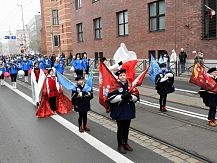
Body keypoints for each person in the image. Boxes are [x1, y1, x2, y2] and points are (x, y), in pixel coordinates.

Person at [107, 69, 139, 154]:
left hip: (128, 110)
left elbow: (136, 96)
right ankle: (119, 145)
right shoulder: (115, 85)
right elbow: (110, 99)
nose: (122, 76)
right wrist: (122, 97)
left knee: (127, 128)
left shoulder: (130, 84)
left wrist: (131, 97)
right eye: (120, 75)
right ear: (118, 77)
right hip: (120, 111)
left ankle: (125, 143)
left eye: (124, 75)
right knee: (121, 128)